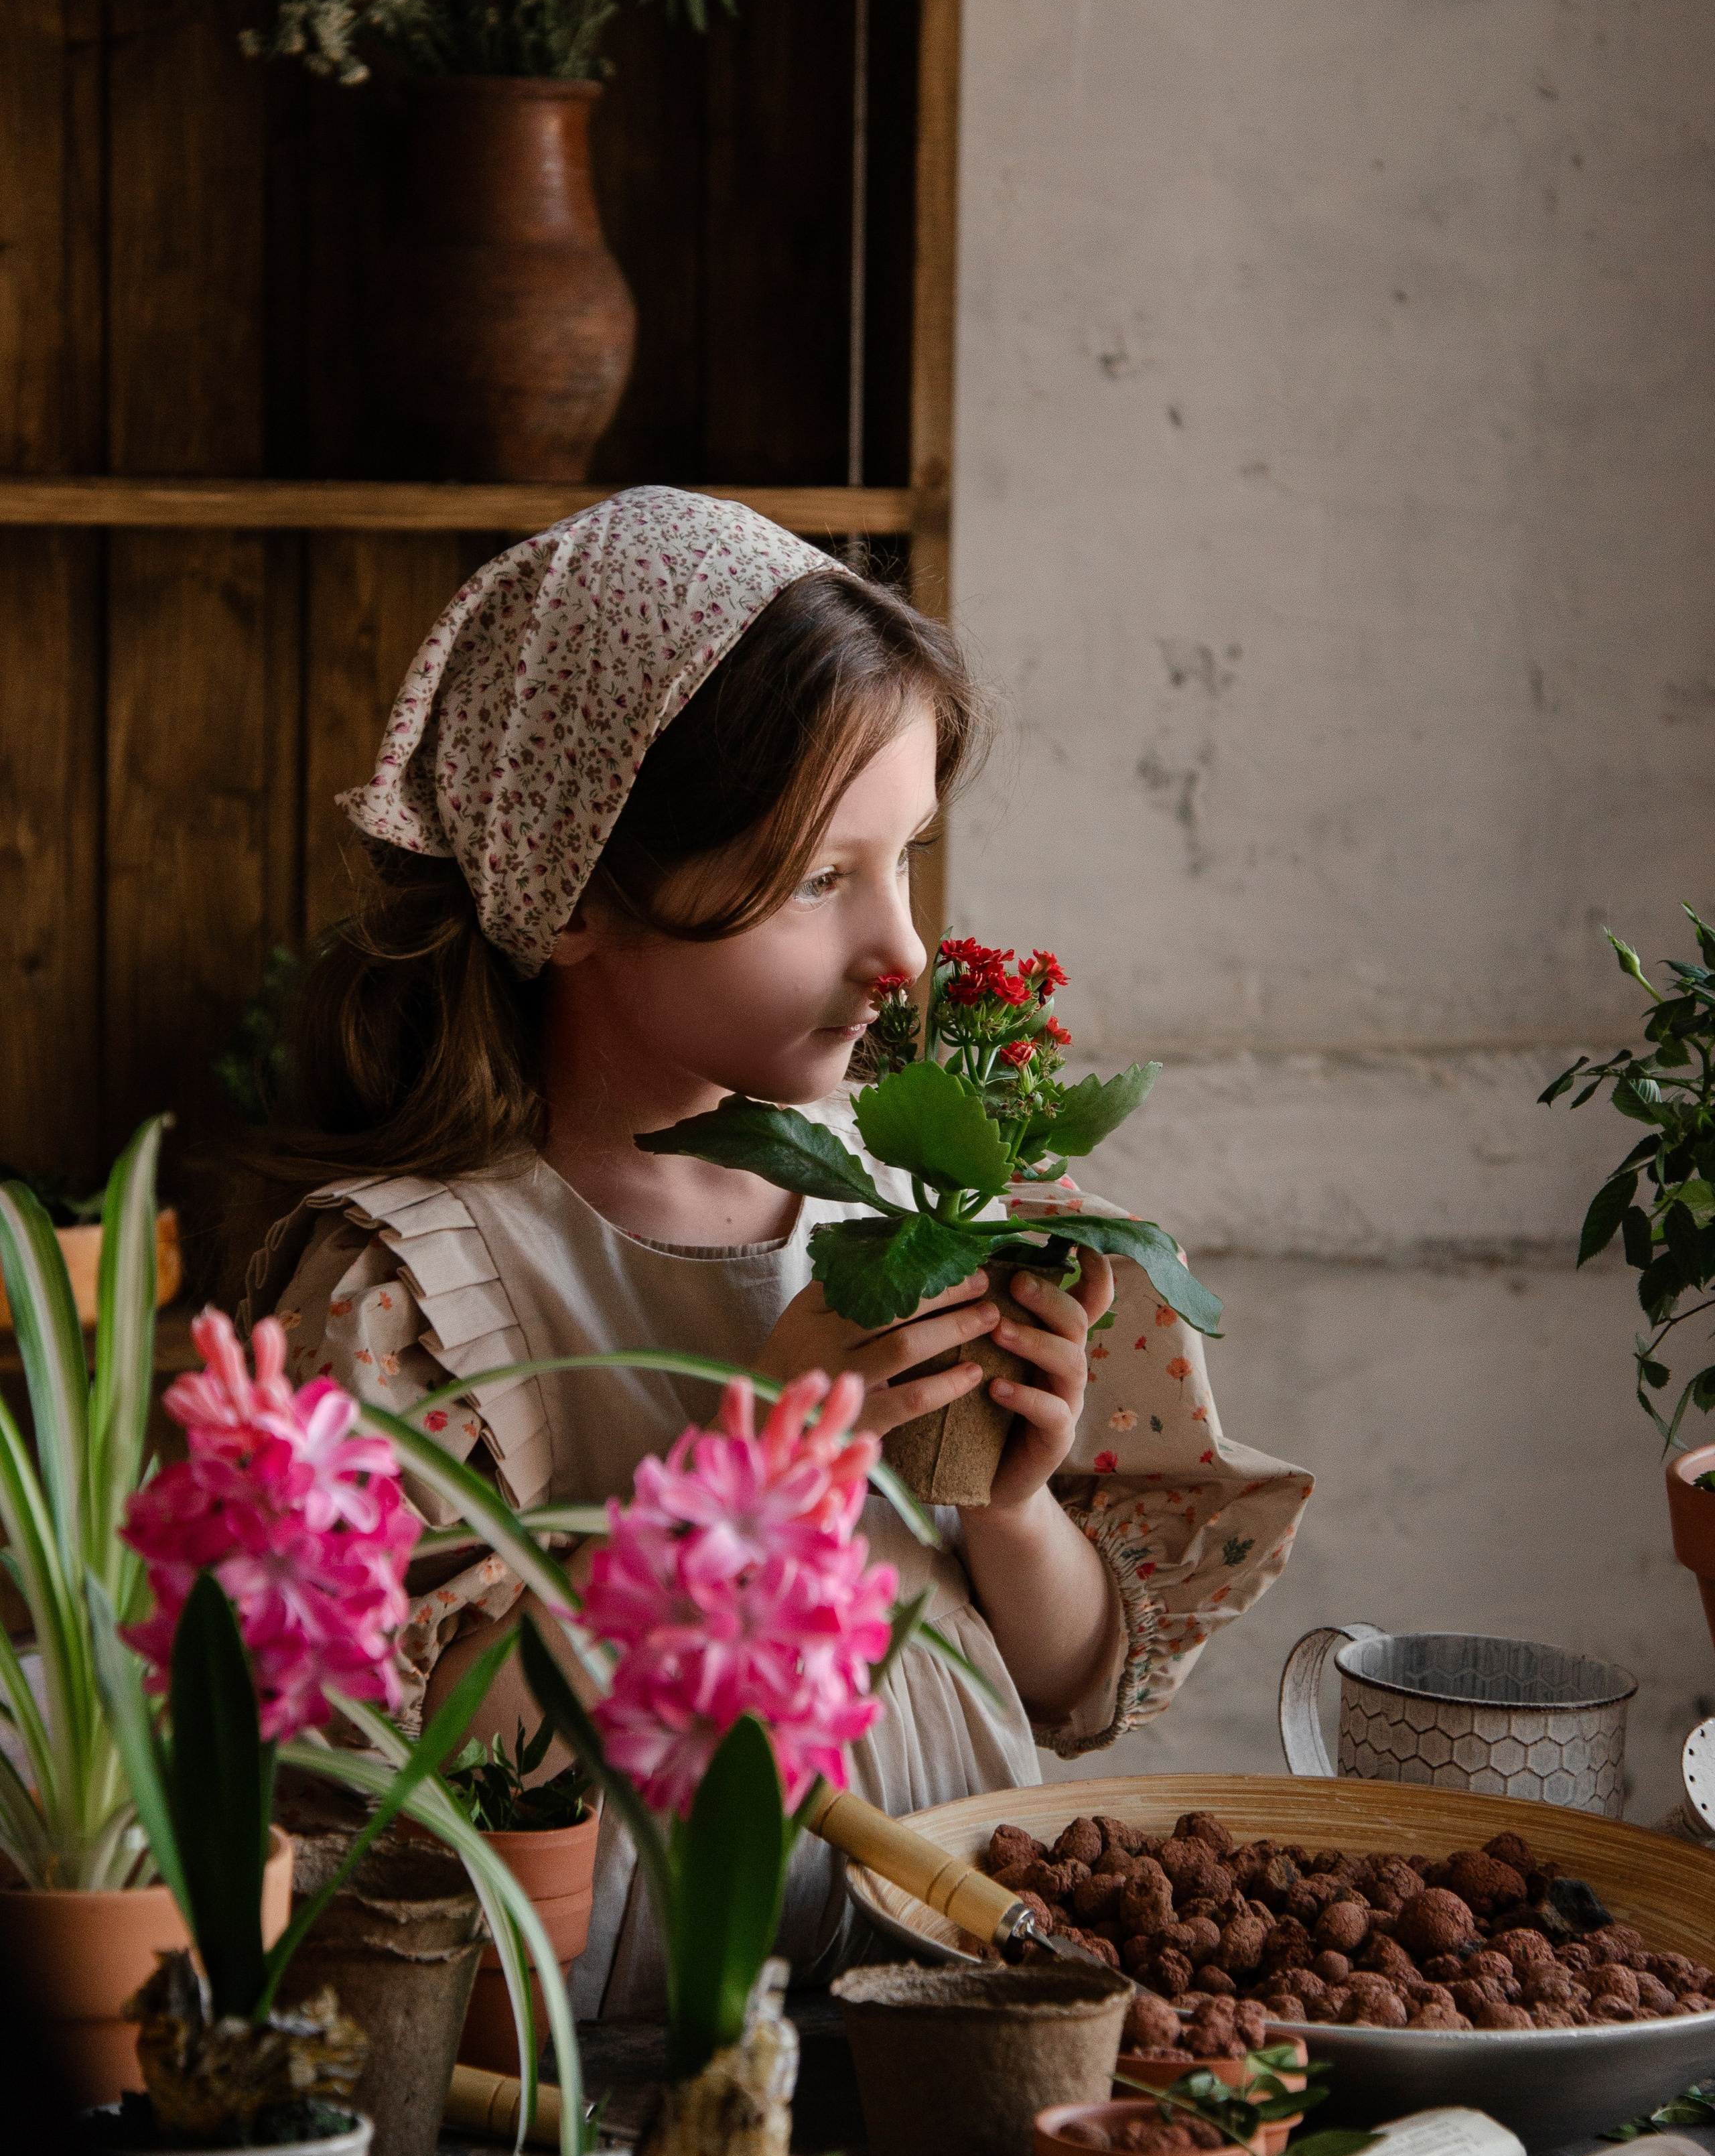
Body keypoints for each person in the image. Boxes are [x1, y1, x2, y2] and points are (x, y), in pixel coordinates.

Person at [238, 487, 1311, 2017]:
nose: (905, 952)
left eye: (906, 858)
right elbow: (409, 1775)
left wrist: (1009, 1514)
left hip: (968, 2005)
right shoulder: (421, 1291)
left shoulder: (921, 1200)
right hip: (617, 2052)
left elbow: (1075, 1690)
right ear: (576, 895)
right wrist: (752, 1466)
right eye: (819, 879)